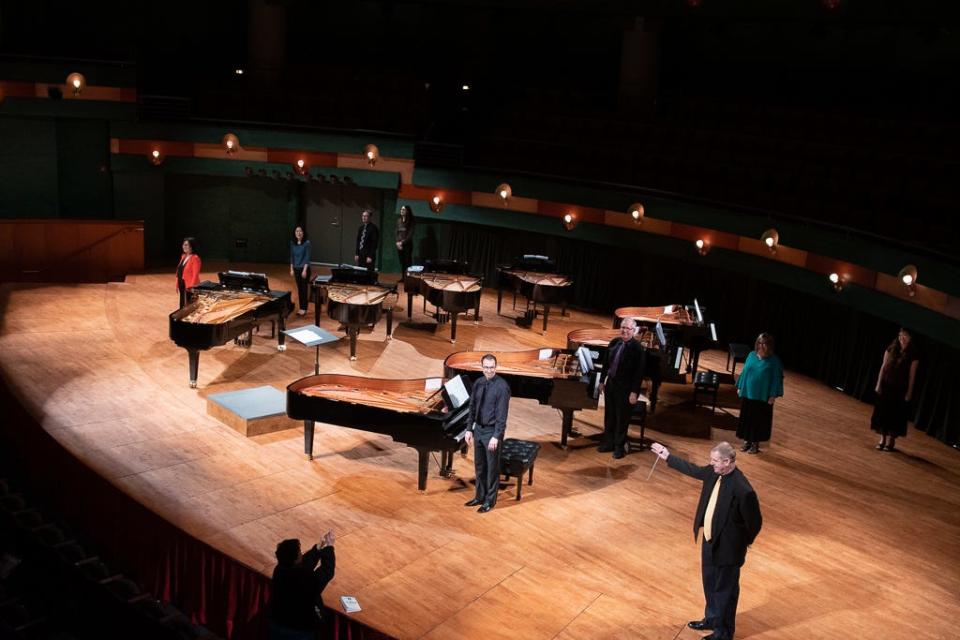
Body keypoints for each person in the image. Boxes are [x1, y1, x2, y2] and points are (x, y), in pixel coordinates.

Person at [650, 441, 762, 640]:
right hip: (709, 540)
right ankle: (712, 619)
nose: (711, 464)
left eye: (715, 461)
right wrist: (667, 456)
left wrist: (740, 544)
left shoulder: (742, 488)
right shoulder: (713, 472)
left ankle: (723, 633)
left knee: (725, 591)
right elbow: (694, 470)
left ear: (727, 462)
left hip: (728, 548)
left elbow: (754, 522)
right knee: (710, 583)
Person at [464, 354, 511, 513]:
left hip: (492, 432)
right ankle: (479, 496)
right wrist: (469, 428)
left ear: (496, 367)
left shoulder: (502, 387)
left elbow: (502, 416)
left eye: (491, 367)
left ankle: (490, 501)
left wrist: (496, 436)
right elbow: (472, 407)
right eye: (486, 367)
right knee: (480, 466)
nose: (489, 370)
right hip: (479, 430)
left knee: (492, 469)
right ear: (482, 367)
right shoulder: (478, 383)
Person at [268, 531, 336, 640]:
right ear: (296, 559)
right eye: (299, 552)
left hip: (277, 623)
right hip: (298, 630)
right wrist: (329, 548)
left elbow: (303, 564)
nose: (301, 553)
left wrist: (319, 547)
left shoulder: (279, 569)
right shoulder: (304, 578)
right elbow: (326, 572)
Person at [597, 317, 646, 459]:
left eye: (628, 328)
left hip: (626, 388)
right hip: (611, 384)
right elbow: (606, 364)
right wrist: (601, 381)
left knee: (622, 418)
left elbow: (639, 373)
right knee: (609, 415)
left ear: (633, 331)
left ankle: (619, 447)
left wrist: (634, 392)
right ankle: (609, 443)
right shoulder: (614, 343)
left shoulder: (638, 349)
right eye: (623, 327)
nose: (624, 330)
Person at [735, 333, 784, 454]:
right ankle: (747, 441)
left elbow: (777, 379)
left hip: (763, 396)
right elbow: (745, 372)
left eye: (764, 344)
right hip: (748, 393)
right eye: (760, 343)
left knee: (758, 420)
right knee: (747, 418)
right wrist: (740, 386)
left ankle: (755, 444)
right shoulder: (751, 355)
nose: (761, 346)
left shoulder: (774, 361)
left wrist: (773, 395)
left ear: (769, 346)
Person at [871, 328, 919, 452]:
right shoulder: (891, 348)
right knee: (883, 412)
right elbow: (883, 367)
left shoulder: (913, 355)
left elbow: (911, 376)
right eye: (900, 336)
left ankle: (891, 441)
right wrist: (878, 384)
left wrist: (909, 392)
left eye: (905, 336)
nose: (902, 338)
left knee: (895, 414)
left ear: (910, 338)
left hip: (899, 389)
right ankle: (882, 439)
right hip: (886, 385)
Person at [290, 225, 312, 316]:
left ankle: (304, 308)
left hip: (304, 269)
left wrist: (305, 270)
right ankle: (301, 307)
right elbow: (292, 256)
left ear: (303, 233)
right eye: (297, 231)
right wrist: (291, 269)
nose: (298, 233)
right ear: (295, 233)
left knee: (304, 289)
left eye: (300, 231)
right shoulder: (292, 243)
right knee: (299, 289)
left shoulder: (307, 243)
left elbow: (307, 257)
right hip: (296, 269)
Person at [175, 237, 201, 308]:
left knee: (189, 306)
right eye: (183, 245)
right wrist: (177, 284)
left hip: (189, 286)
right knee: (182, 303)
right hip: (182, 284)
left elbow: (195, 274)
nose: (184, 246)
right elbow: (179, 271)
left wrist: (192, 287)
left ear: (191, 246)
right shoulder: (183, 256)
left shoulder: (195, 258)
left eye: (186, 245)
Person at [395, 205, 415, 278]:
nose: (402, 211)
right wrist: (397, 242)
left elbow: (410, 235)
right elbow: (396, 232)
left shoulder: (411, 221)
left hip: (407, 245)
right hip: (399, 245)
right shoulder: (399, 220)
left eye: (403, 209)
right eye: (401, 209)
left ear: (407, 211)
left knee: (407, 262)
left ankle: (408, 278)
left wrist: (402, 243)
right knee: (402, 262)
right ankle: (403, 277)